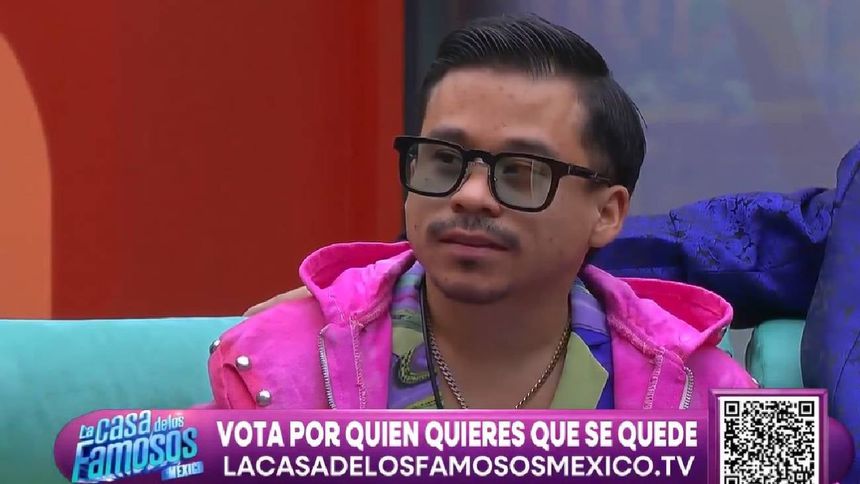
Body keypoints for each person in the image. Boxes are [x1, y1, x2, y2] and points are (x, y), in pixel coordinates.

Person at [206, 14, 756, 411]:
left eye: (521, 171)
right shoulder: (273, 364)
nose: (470, 195)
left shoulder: (712, 391)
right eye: (444, 160)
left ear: (607, 214)